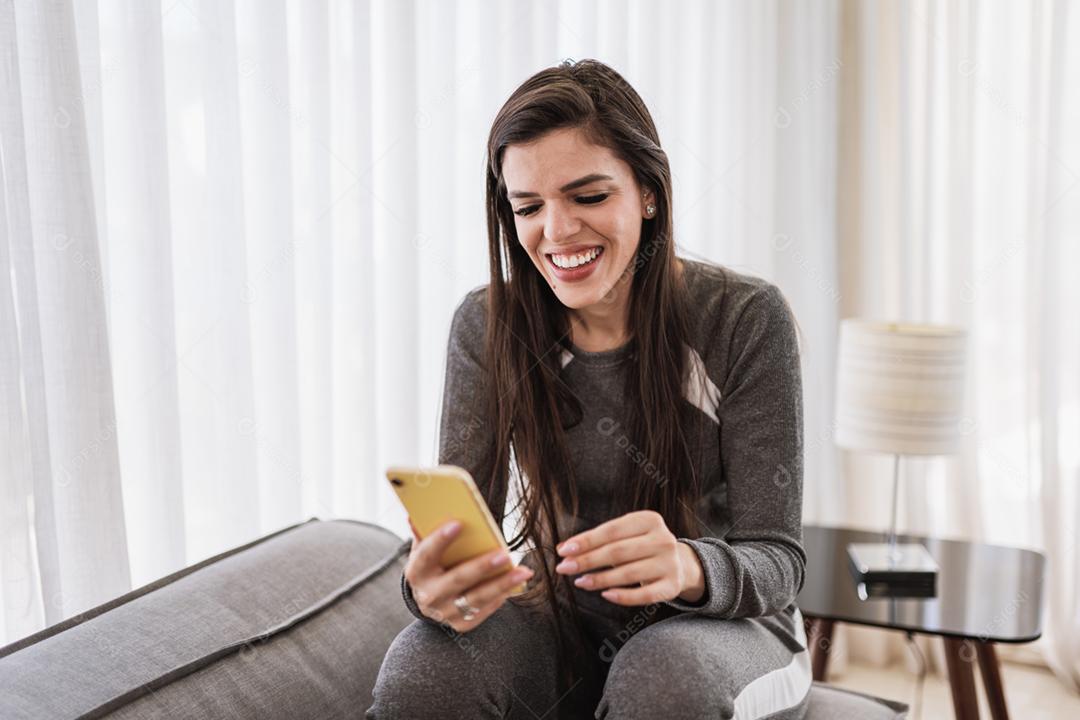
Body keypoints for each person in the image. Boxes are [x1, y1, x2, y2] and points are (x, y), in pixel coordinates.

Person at [366, 58, 810, 720]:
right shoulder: (486, 327)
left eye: (589, 197)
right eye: (528, 207)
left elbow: (778, 561)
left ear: (649, 193)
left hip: (729, 625)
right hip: (561, 618)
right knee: (425, 673)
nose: (558, 231)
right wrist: (425, 588)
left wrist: (688, 565)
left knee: (663, 680)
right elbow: (461, 539)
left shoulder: (744, 320)